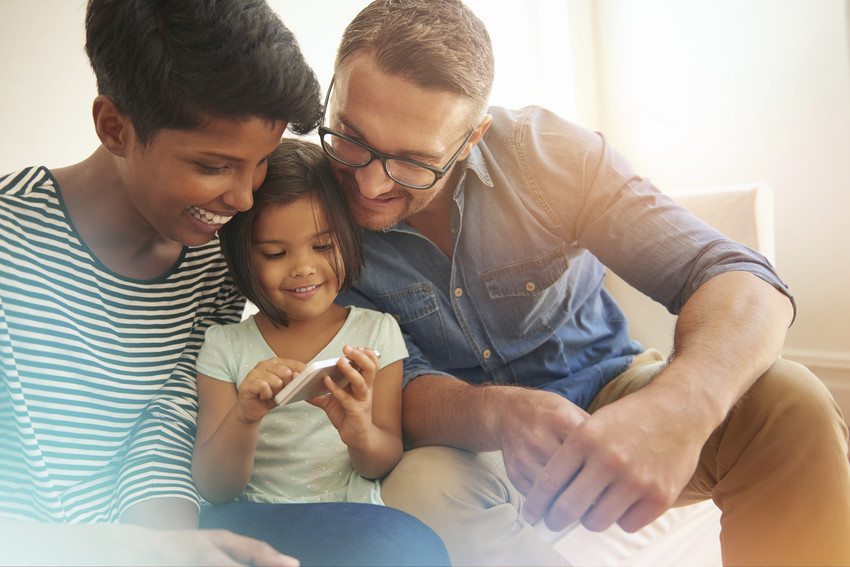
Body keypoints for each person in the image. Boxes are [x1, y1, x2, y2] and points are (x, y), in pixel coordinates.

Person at [323, 1, 850, 565]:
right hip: (458, 448)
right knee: (419, 490)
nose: (368, 183)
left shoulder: (543, 155)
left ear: (472, 136)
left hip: (608, 395)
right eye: (351, 136)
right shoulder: (307, 206)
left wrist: (679, 409)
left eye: (412, 162)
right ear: (334, 90)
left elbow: (738, 276)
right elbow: (386, 387)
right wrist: (499, 414)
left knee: (790, 402)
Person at [0, 1, 447, 565]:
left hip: (170, 530)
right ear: (115, 127)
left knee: (400, 548)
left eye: (259, 162)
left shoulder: (214, 250)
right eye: (213, 166)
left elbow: (165, 426)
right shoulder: (11, 244)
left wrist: (174, 550)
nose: (242, 199)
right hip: (44, 546)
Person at [192, 138, 405, 506]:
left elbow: (381, 463)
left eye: (323, 246)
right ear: (242, 258)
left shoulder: (376, 333)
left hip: (349, 515)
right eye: (276, 253)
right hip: (254, 518)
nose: (303, 268)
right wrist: (245, 417)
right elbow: (214, 487)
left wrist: (361, 433)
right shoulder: (224, 346)